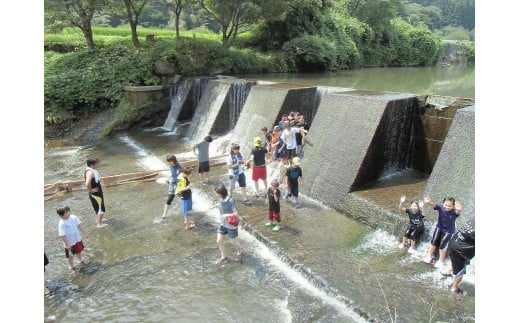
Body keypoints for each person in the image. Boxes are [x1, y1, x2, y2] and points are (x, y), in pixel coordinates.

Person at [422, 196, 462, 267]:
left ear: (453, 206)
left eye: (450, 206)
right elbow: (434, 205)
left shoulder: (454, 212)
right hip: (439, 228)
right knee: (434, 241)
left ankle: (441, 261)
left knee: (442, 245)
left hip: (448, 231)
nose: (447, 207)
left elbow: (458, 212)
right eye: (446, 205)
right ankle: (429, 256)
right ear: (443, 204)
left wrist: (459, 209)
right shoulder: (441, 207)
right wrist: (429, 202)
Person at [440, 218, 475, 295]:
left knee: (456, 262)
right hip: (461, 251)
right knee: (461, 271)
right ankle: (454, 288)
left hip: (453, 244)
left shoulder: (472, 221)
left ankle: (449, 271)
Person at [214, 184, 244, 265]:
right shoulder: (221, 199)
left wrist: (226, 215)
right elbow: (222, 205)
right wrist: (216, 205)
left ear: (221, 194)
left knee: (233, 242)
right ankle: (223, 257)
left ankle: (240, 253)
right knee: (219, 241)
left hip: (231, 225)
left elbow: (236, 213)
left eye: (216, 193)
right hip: (223, 224)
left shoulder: (231, 200)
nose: (215, 194)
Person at [57, 204, 88, 271]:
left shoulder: (73, 217)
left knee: (78, 251)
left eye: (68, 211)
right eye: (66, 213)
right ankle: (71, 266)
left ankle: (81, 260)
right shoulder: (62, 223)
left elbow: (79, 225)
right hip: (69, 242)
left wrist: (85, 233)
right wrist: (66, 244)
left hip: (77, 239)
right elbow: (62, 235)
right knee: (70, 255)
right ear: (61, 215)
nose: (68, 213)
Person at [85, 158, 107, 228]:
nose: (98, 165)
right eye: (96, 163)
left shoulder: (90, 170)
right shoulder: (90, 172)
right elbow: (87, 183)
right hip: (95, 193)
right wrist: (91, 190)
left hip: (97, 192)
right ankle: (99, 224)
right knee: (101, 207)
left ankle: (99, 219)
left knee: (97, 206)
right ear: (92, 165)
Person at [161, 154, 183, 221]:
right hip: (172, 184)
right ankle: (164, 216)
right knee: (169, 199)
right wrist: (168, 179)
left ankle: (186, 210)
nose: (168, 163)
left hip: (179, 185)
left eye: (169, 161)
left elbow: (183, 176)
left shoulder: (180, 166)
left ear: (173, 160)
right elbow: (172, 173)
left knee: (183, 198)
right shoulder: (171, 165)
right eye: (168, 162)